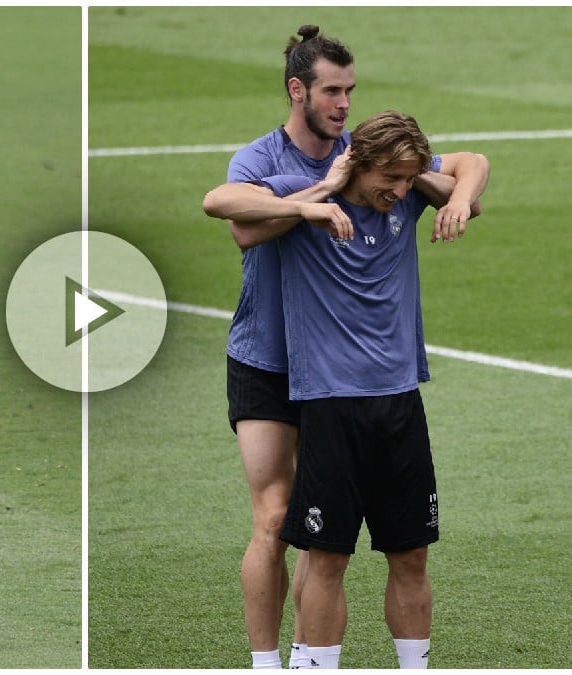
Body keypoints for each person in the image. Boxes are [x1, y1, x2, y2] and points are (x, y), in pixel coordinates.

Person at [210, 25, 490, 669]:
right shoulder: (262, 161)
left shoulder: (375, 161)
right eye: (332, 91)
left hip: (347, 375)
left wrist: (454, 196)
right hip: (268, 355)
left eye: (350, 91)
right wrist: (314, 201)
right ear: (297, 89)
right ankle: (266, 660)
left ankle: (312, 653)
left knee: (322, 539)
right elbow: (239, 224)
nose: (343, 104)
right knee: (275, 517)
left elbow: (468, 168)